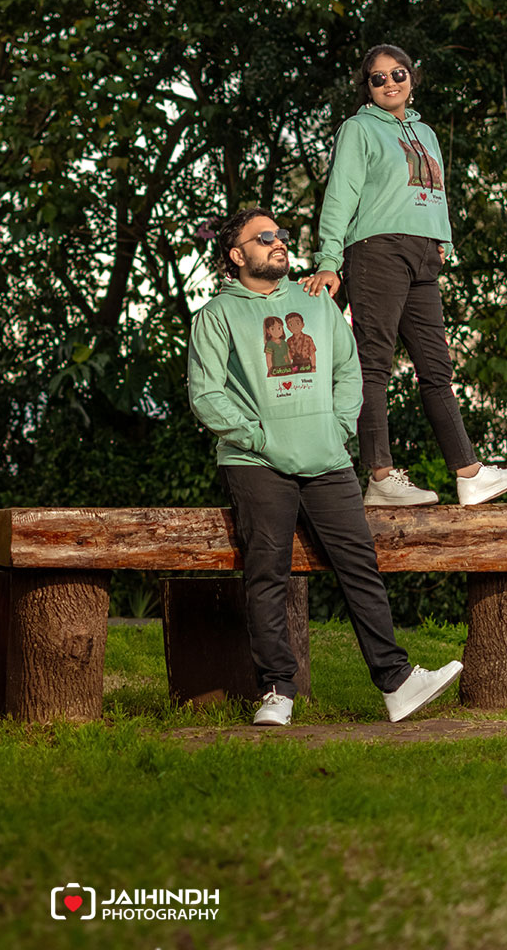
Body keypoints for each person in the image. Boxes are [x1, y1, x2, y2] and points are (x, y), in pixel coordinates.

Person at [188, 207, 463, 727]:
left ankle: (397, 683)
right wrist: (260, 438)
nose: (277, 242)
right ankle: (277, 692)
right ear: (236, 254)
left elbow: (347, 369)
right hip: (256, 461)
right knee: (267, 573)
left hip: (327, 458)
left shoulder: (315, 301)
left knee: (360, 567)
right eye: (263, 237)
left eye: (280, 234)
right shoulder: (216, 316)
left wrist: (337, 428)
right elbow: (206, 395)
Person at [300, 44, 507, 508]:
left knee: (436, 369)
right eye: (378, 78)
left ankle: (469, 475)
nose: (390, 83)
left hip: (424, 256)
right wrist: (329, 260)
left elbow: (437, 191)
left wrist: (444, 240)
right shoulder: (359, 129)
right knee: (374, 364)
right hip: (377, 249)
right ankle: (381, 478)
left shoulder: (425, 132)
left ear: (412, 78)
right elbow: (340, 195)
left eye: (398, 74)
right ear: (367, 87)